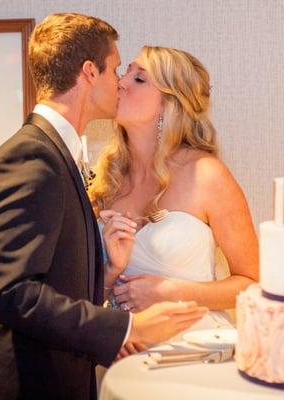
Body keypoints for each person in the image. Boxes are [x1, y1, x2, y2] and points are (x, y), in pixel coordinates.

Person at [0, 14, 206, 400]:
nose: (119, 82)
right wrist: (128, 328)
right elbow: (13, 293)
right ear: (89, 73)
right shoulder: (32, 157)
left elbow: (49, 282)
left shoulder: (59, 155)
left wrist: (105, 274)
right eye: (115, 68)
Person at [89, 46, 259, 352]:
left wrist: (171, 291)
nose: (121, 82)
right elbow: (88, 287)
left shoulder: (207, 175)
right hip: (125, 358)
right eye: (126, 72)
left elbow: (251, 283)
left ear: (170, 104)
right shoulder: (106, 180)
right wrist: (113, 329)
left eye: (139, 79)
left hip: (194, 352)